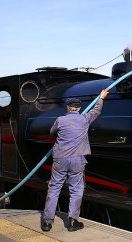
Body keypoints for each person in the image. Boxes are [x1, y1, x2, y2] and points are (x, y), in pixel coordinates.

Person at [41, 89, 109, 232]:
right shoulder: (85, 118)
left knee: (54, 188)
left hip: (60, 159)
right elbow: (96, 111)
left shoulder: (60, 120)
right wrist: (101, 98)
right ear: (78, 108)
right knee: (76, 189)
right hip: (78, 159)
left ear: (68, 107)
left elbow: (51, 132)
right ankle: (72, 221)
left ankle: (47, 222)